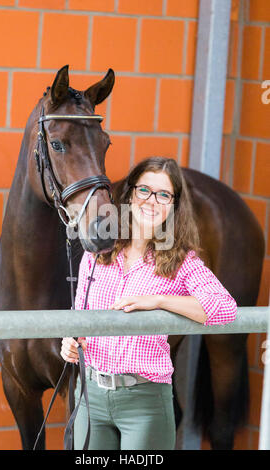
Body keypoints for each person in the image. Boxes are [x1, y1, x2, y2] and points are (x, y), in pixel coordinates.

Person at [60, 157, 237, 450]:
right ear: (130, 194)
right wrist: (71, 341)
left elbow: (224, 308)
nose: (152, 201)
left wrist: (159, 301)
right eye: (144, 190)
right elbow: (81, 315)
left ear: (174, 205)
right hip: (90, 395)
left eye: (164, 194)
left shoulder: (180, 261)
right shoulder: (97, 253)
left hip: (143, 403)